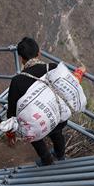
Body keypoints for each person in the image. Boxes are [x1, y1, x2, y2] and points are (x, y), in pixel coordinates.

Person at [7, 37, 67, 166]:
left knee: (32, 130)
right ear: (39, 53)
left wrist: (10, 133)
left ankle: (47, 160)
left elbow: (12, 111)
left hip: (37, 125)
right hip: (57, 119)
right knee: (57, 133)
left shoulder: (17, 81)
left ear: (21, 59)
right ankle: (60, 155)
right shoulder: (52, 67)